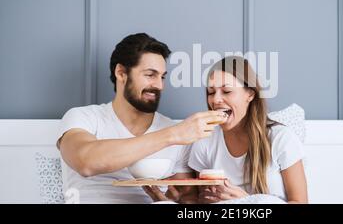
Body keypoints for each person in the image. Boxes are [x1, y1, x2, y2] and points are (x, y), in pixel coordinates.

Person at [57, 33, 227, 203]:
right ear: (121, 73)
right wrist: (173, 135)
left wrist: (171, 200)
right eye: (150, 75)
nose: (159, 85)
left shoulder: (175, 132)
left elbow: (187, 198)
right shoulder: (84, 117)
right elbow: (85, 162)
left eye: (162, 77)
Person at [189, 56, 308, 204]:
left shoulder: (280, 138)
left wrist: (248, 201)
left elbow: (300, 201)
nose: (216, 100)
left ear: (250, 94)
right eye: (211, 92)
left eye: (226, 91)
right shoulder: (204, 141)